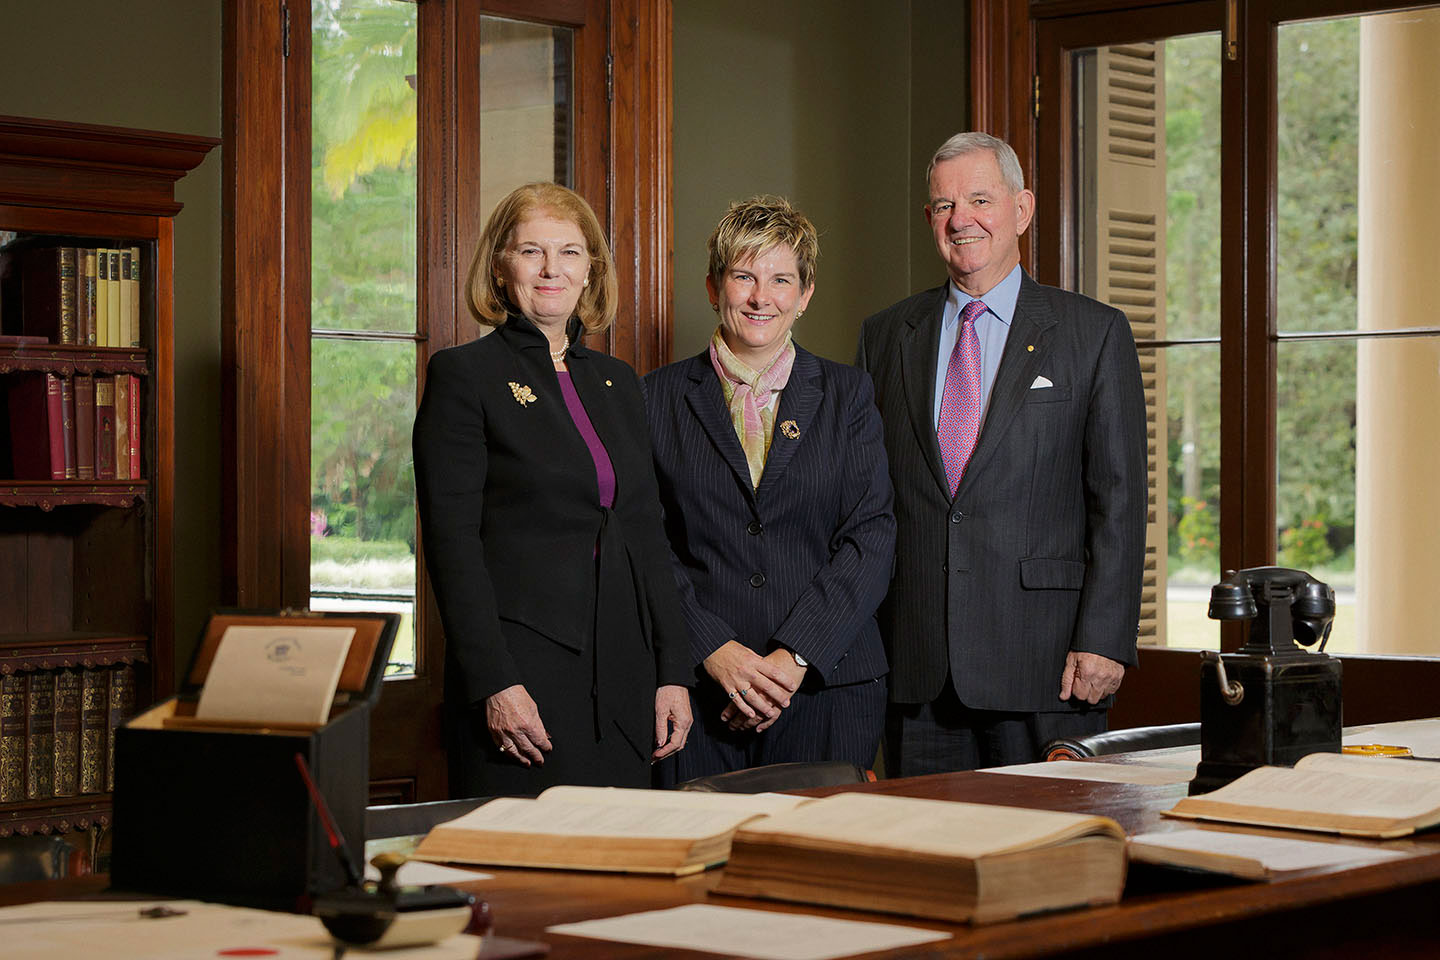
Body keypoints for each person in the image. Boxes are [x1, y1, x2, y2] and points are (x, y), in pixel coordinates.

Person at [855, 132, 1147, 773]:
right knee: (927, 863)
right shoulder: (885, 336)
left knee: (1049, 860)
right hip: (918, 668)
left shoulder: (1094, 334)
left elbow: (1119, 502)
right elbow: (867, 503)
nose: (960, 220)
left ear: (1021, 210)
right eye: (942, 206)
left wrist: (1103, 640)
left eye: (979, 199)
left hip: (1048, 664)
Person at [413, 182, 692, 797]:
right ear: (499, 265)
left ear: (590, 271)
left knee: (620, 871)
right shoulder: (465, 376)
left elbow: (647, 534)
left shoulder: (619, 383)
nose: (551, 269)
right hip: (523, 678)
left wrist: (673, 672)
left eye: (569, 252)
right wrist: (493, 683)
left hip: (625, 672)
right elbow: (451, 545)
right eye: (531, 250)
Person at [646, 196, 895, 782]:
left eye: (782, 279)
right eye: (744, 276)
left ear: (805, 294)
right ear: (713, 287)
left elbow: (870, 537)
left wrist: (791, 659)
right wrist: (715, 650)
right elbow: (645, 544)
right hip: (700, 695)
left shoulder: (849, 395)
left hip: (826, 689)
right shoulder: (651, 398)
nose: (762, 297)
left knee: (820, 866)